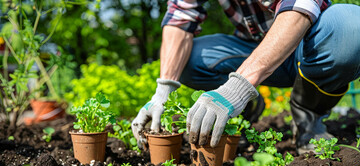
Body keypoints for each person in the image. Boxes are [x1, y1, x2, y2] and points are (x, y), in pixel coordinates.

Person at [131, 0, 360, 154]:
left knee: (351, 27)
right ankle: (244, 112)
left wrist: (236, 89)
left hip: (312, 48)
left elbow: (299, 7)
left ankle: (308, 119)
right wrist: (163, 91)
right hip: (255, 48)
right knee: (191, 59)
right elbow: (181, 16)